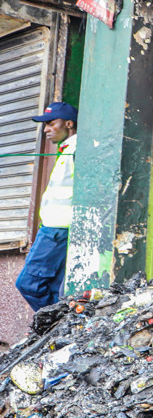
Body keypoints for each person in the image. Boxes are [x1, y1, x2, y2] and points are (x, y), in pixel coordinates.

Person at [16, 102, 77, 311]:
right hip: (56, 229)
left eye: (51, 123)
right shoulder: (67, 149)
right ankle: (61, 329)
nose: (46, 129)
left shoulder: (76, 151)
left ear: (68, 124)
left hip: (57, 231)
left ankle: (54, 324)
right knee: (55, 289)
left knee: (28, 284)